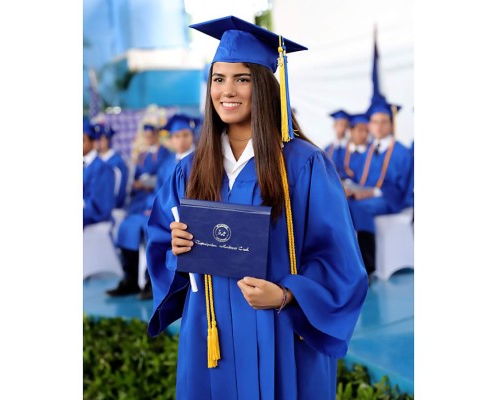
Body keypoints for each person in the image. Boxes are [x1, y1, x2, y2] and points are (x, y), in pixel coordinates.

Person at [146, 16, 368, 399]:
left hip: (282, 330)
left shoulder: (303, 165)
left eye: (242, 79)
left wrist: (286, 295)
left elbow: (339, 262)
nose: (227, 91)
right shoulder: (190, 168)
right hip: (210, 332)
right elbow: (161, 246)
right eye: (219, 79)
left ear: (265, 87)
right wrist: (176, 249)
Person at [106, 115, 196, 299]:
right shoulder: (167, 164)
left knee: (154, 230)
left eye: (185, 135)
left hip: (188, 215)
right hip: (165, 212)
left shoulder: (201, 160)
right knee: (128, 225)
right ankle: (130, 279)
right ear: (171, 139)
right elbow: (158, 191)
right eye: (177, 136)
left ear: (192, 136)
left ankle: (153, 282)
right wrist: (152, 207)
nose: (181, 140)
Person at [346, 101, 412, 278]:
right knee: (341, 203)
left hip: (391, 199)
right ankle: (346, 261)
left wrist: (371, 192)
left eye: (384, 122)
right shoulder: (368, 150)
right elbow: (357, 177)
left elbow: (401, 186)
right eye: (374, 122)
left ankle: (368, 267)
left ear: (391, 124)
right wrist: (349, 187)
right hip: (366, 197)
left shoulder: (401, 152)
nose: (379, 126)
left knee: (359, 208)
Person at [83, 118, 115, 227]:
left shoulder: (102, 168)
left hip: (92, 215)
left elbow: (101, 206)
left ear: (93, 142)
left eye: (82, 140)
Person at [95, 124, 129, 209]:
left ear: (108, 140)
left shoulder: (117, 161)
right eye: (97, 139)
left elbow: (120, 189)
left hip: (110, 206)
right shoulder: (94, 159)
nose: (99, 143)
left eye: (102, 139)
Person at [342, 113, 370, 191]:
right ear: (351, 131)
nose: (364, 135)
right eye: (360, 130)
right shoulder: (341, 152)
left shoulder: (373, 154)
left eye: (367, 131)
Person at [325, 109, 351, 179]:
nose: (342, 128)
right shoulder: (327, 149)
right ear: (334, 126)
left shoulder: (352, 148)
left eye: (345, 125)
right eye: (340, 124)